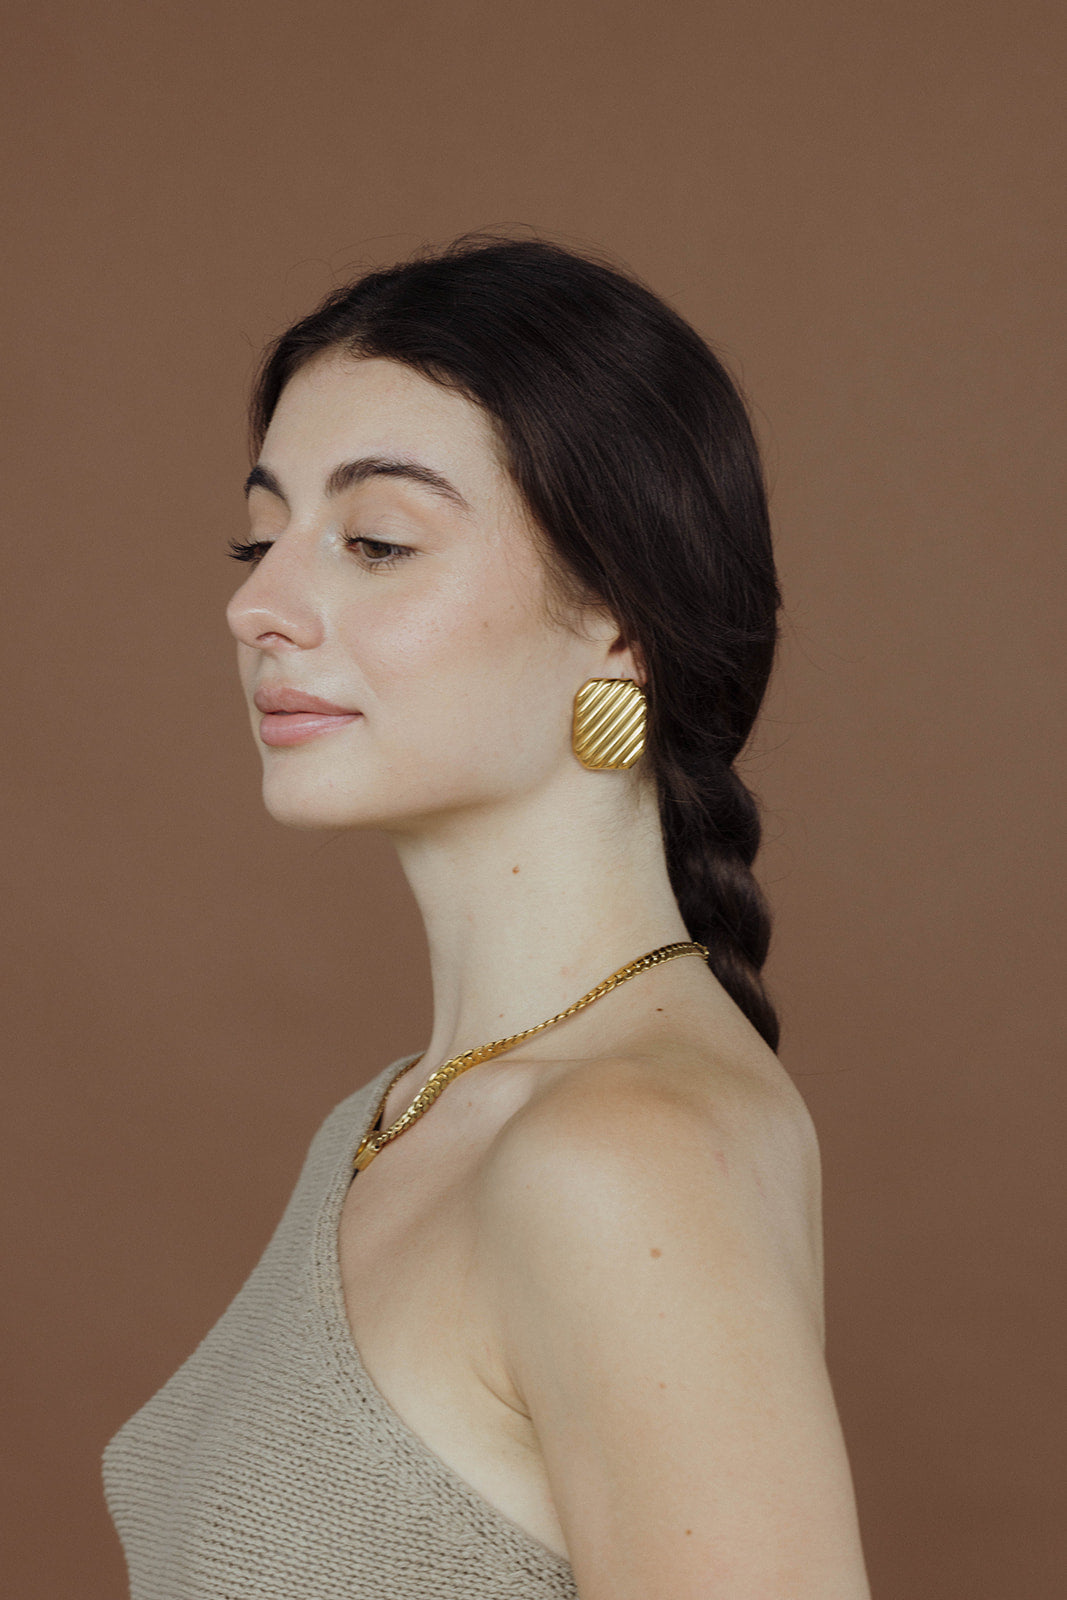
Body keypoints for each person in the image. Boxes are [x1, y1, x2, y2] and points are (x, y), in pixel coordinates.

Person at [102, 234, 871, 1598]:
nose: (256, 604)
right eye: (260, 536)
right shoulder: (391, 1120)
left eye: (376, 541)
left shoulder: (620, 1156)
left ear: (620, 626)